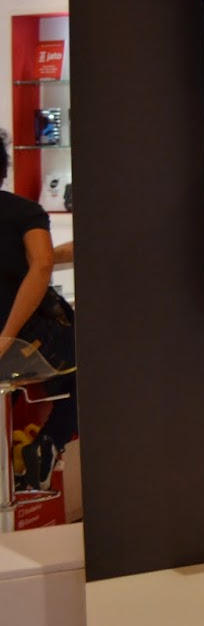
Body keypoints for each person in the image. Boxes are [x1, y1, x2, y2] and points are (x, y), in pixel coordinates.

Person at [0, 133, 74, 491]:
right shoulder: (23, 211)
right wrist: (7, 335)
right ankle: (48, 443)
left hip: (14, 350)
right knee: (88, 368)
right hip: (23, 340)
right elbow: (42, 263)